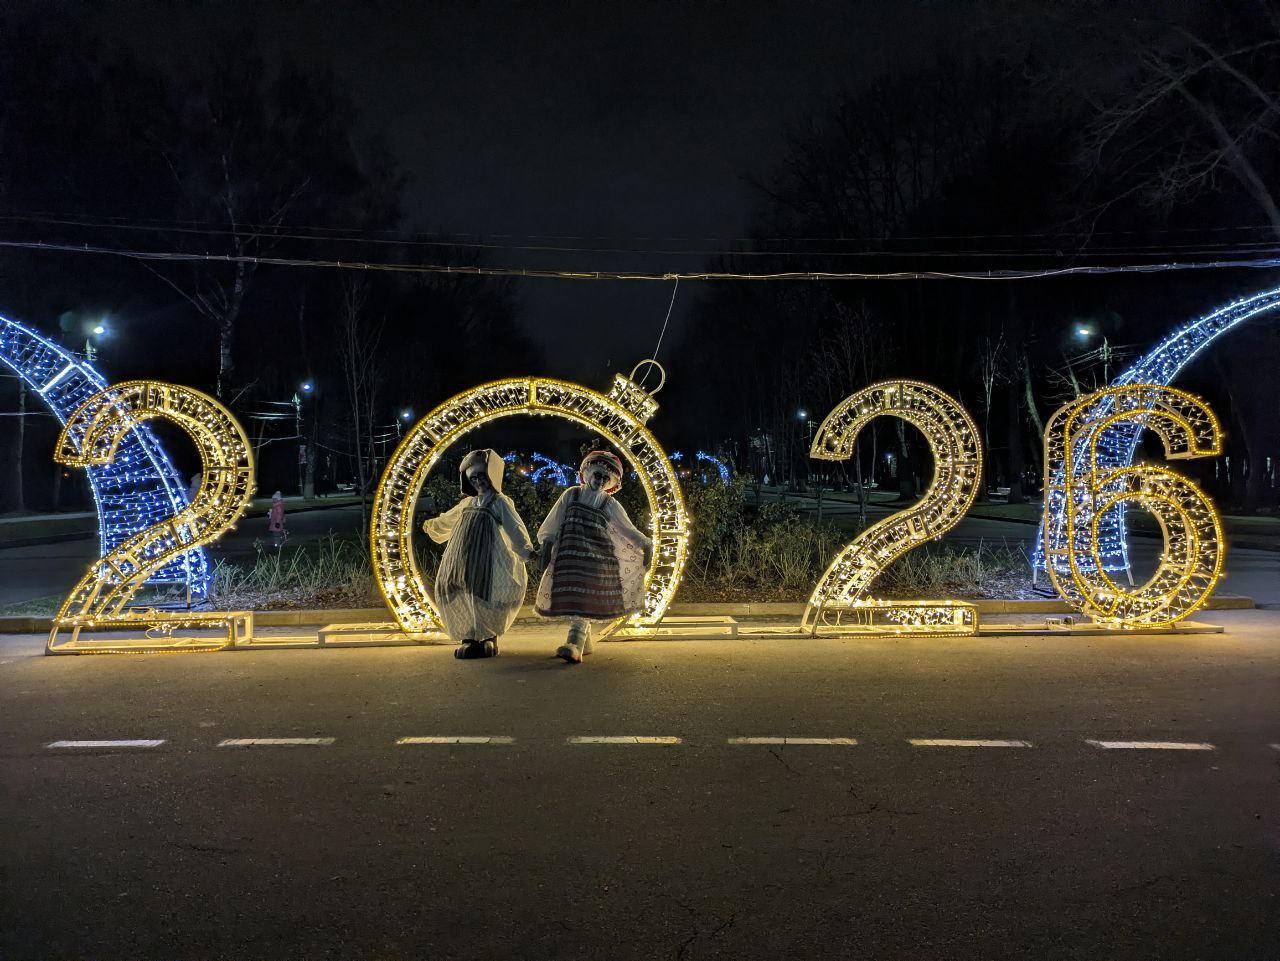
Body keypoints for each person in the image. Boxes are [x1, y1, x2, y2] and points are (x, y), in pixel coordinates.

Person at [536, 450, 653, 664]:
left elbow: (628, 529)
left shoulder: (609, 504)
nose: (599, 481)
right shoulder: (571, 494)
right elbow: (553, 521)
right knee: (575, 597)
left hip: (597, 560)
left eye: (605, 478)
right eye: (597, 475)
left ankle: (574, 643)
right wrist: (547, 546)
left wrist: (645, 543)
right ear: (588, 473)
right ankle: (585, 642)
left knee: (585, 597)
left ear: (610, 482)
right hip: (570, 558)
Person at [422, 449, 535, 659]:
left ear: (491, 476)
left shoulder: (499, 502)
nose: (478, 482)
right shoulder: (468, 503)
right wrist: (433, 525)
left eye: (482, 476)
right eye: (473, 478)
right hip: (462, 558)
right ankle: (469, 637)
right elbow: (450, 519)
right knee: (460, 591)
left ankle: (488, 637)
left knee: (484, 594)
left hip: (488, 558)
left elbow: (514, 528)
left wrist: (526, 552)